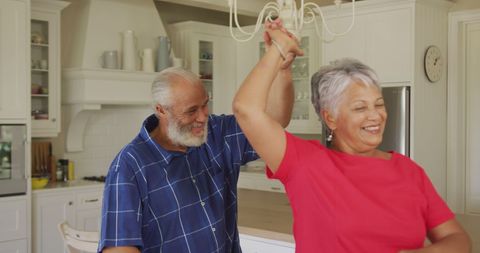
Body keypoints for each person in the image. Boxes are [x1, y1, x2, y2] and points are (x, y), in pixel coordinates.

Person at [232, 27, 472, 252]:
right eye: (360, 108)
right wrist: (279, 50)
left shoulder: (409, 171)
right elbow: (247, 109)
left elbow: (458, 240)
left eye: (379, 104)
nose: (375, 115)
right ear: (331, 118)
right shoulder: (305, 163)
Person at [97, 26, 296, 253]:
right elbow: (119, 249)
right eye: (191, 111)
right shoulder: (130, 166)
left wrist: (283, 71)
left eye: (205, 104)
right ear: (161, 110)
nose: (203, 117)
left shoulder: (218, 133)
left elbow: (275, 120)